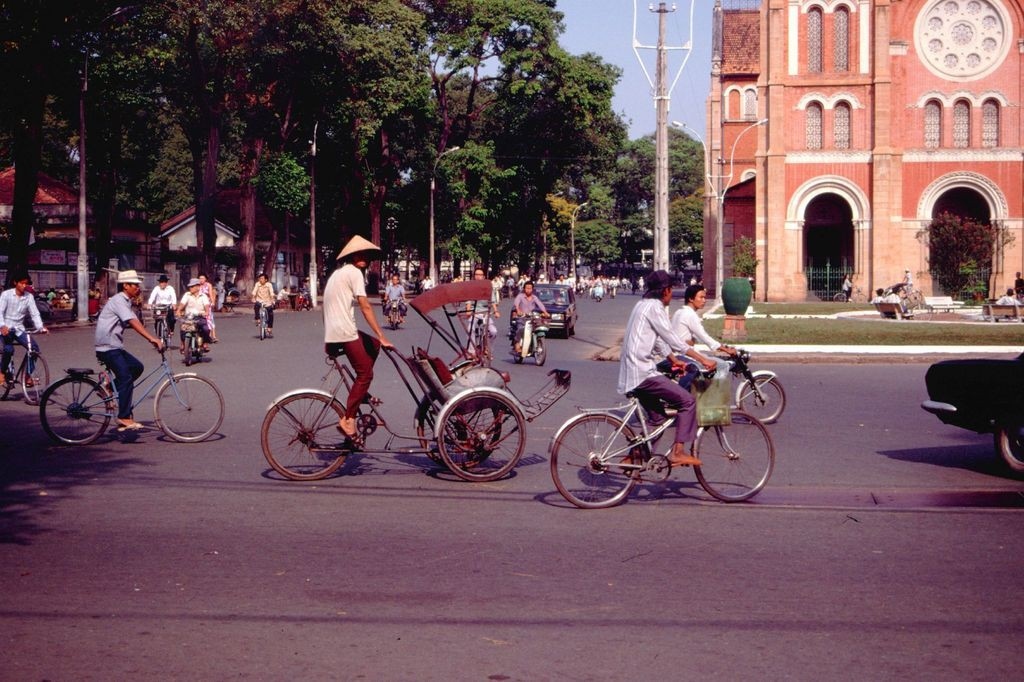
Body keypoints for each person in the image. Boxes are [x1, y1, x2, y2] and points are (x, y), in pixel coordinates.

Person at [619, 271, 716, 467]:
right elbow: (673, 339)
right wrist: (702, 359)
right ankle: (678, 452)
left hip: (632, 372)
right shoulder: (655, 308)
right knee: (687, 401)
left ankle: (633, 458)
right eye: (671, 290)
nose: (672, 295)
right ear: (666, 291)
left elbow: (658, 342)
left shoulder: (642, 305)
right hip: (642, 373)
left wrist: (673, 360)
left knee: (658, 419)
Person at [324, 235, 393, 442]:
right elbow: (365, 306)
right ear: (352, 257)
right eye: (359, 254)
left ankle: (360, 392)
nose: (364, 258)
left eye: (367, 255)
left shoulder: (339, 273)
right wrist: (382, 335)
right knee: (366, 374)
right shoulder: (354, 273)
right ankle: (348, 418)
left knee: (372, 346)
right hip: (343, 331)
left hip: (336, 330)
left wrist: (377, 340)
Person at [94, 270, 164, 431]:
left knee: (137, 367)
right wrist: (152, 338)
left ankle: (108, 388)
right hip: (107, 347)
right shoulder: (119, 300)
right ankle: (124, 417)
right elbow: (132, 321)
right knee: (126, 378)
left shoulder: (125, 301)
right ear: (125, 286)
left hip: (114, 346)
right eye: (135, 285)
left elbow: (136, 319)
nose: (138, 288)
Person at [0, 271, 48, 387]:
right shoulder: (6, 295)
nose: (24, 286)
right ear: (15, 283)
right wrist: (2, 326)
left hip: (19, 328)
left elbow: (34, 313)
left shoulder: (29, 297)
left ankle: (27, 375)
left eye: (26, 284)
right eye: (21, 283)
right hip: (5, 327)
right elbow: (0, 312)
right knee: (8, 350)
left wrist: (40, 327)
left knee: (34, 348)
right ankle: (1, 371)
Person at [511, 280, 549, 355]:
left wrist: (545, 312)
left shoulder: (534, 297)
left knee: (538, 327)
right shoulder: (520, 296)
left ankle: (533, 344)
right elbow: (516, 303)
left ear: (532, 289)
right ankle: (517, 344)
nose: (528, 290)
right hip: (522, 317)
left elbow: (540, 304)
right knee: (520, 329)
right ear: (524, 289)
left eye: (530, 288)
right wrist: (518, 310)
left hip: (531, 318)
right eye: (527, 288)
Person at [175, 278, 214, 353]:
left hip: (199, 317)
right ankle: (183, 343)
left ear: (198, 287)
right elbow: (182, 304)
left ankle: (205, 343)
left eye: (192, 286)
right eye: (190, 287)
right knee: (183, 328)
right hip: (189, 317)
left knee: (206, 329)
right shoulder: (187, 295)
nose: (190, 288)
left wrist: (206, 312)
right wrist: (178, 310)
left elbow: (206, 306)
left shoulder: (203, 296)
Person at [251, 273, 276, 337]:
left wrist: (272, 300)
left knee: (271, 314)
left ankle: (269, 328)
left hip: (267, 301)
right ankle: (257, 319)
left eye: (262, 278)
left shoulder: (269, 285)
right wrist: (253, 297)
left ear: (266, 280)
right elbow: (254, 291)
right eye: (260, 278)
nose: (260, 280)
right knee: (256, 306)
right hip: (259, 300)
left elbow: (271, 293)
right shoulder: (257, 284)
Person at [197, 273, 218, 342]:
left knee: (210, 319)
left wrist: (213, 302)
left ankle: (213, 336)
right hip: (199, 304)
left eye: (202, 278)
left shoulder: (208, 285)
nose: (201, 280)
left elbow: (211, 294)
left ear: (205, 279)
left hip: (207, 304)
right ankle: (206, 336)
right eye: (200, 278)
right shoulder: (197, 286)